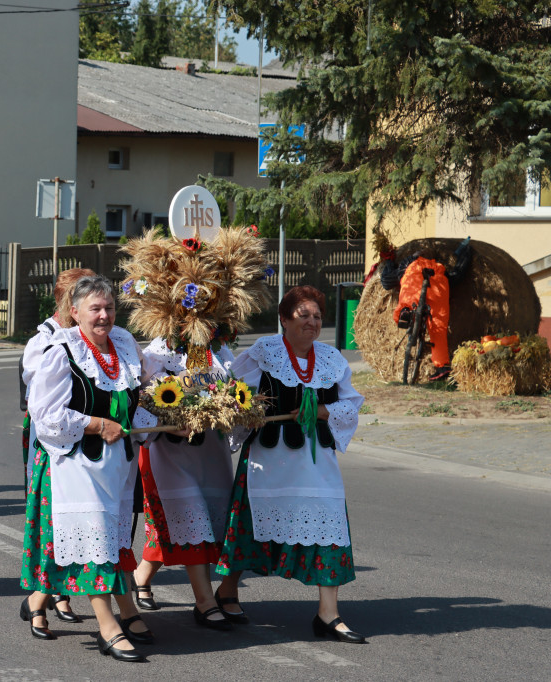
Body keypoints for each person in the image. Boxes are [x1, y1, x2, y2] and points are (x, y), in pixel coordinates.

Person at [215, 285, 367, 643]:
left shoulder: (331, 360)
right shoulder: (264, 353)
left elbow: (352, 405)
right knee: (250, 529)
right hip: (269, 462)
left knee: (328, 529)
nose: (312, 322)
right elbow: (233, 394)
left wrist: (323, 410)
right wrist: (246, 412)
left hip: (316, 464)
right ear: (283, 319)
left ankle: (328, 614)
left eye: (317, 316)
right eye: (304, 315)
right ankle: (226, 590)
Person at [21, 275, 154, 663]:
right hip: (73, 462)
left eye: (109, 307)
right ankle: (108, 627)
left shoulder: (125, 345)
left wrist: (163, 418)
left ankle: (42, 601)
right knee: (92, 540)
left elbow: (140, 395)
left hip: (115, 465)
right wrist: (96, 424)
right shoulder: (61, 350)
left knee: (109, 540)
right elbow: (45, 415)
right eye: (94, 308)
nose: (103, 315)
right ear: (73, 312)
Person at [131, 338, 239, 629]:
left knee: (190, 523)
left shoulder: (219, 354)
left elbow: (234, 390)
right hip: (168, 451)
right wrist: (171, 419)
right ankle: (205, 602)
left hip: (210, 451)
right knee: (192, 520)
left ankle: (141, 576)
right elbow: (141, 401)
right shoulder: (155, 355)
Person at [18, 267, 95, 624]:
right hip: (53, 437)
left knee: (80, 518)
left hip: (90, 442)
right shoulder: (45, 340)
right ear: (65, 301)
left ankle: (55, 594)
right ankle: (50, 593)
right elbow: (43, 399)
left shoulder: (95, 337)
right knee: (54, 517)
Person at [380, 238, 472, 381]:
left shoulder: (408, 263)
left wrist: (389, 261)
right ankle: (442, 367)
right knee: (438, 329)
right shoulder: (439, 267)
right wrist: (465, 256)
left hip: (414, 285)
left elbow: (386, 281)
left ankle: (405, 313)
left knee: (406, 301)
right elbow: (456, 275)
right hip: (438, 288)